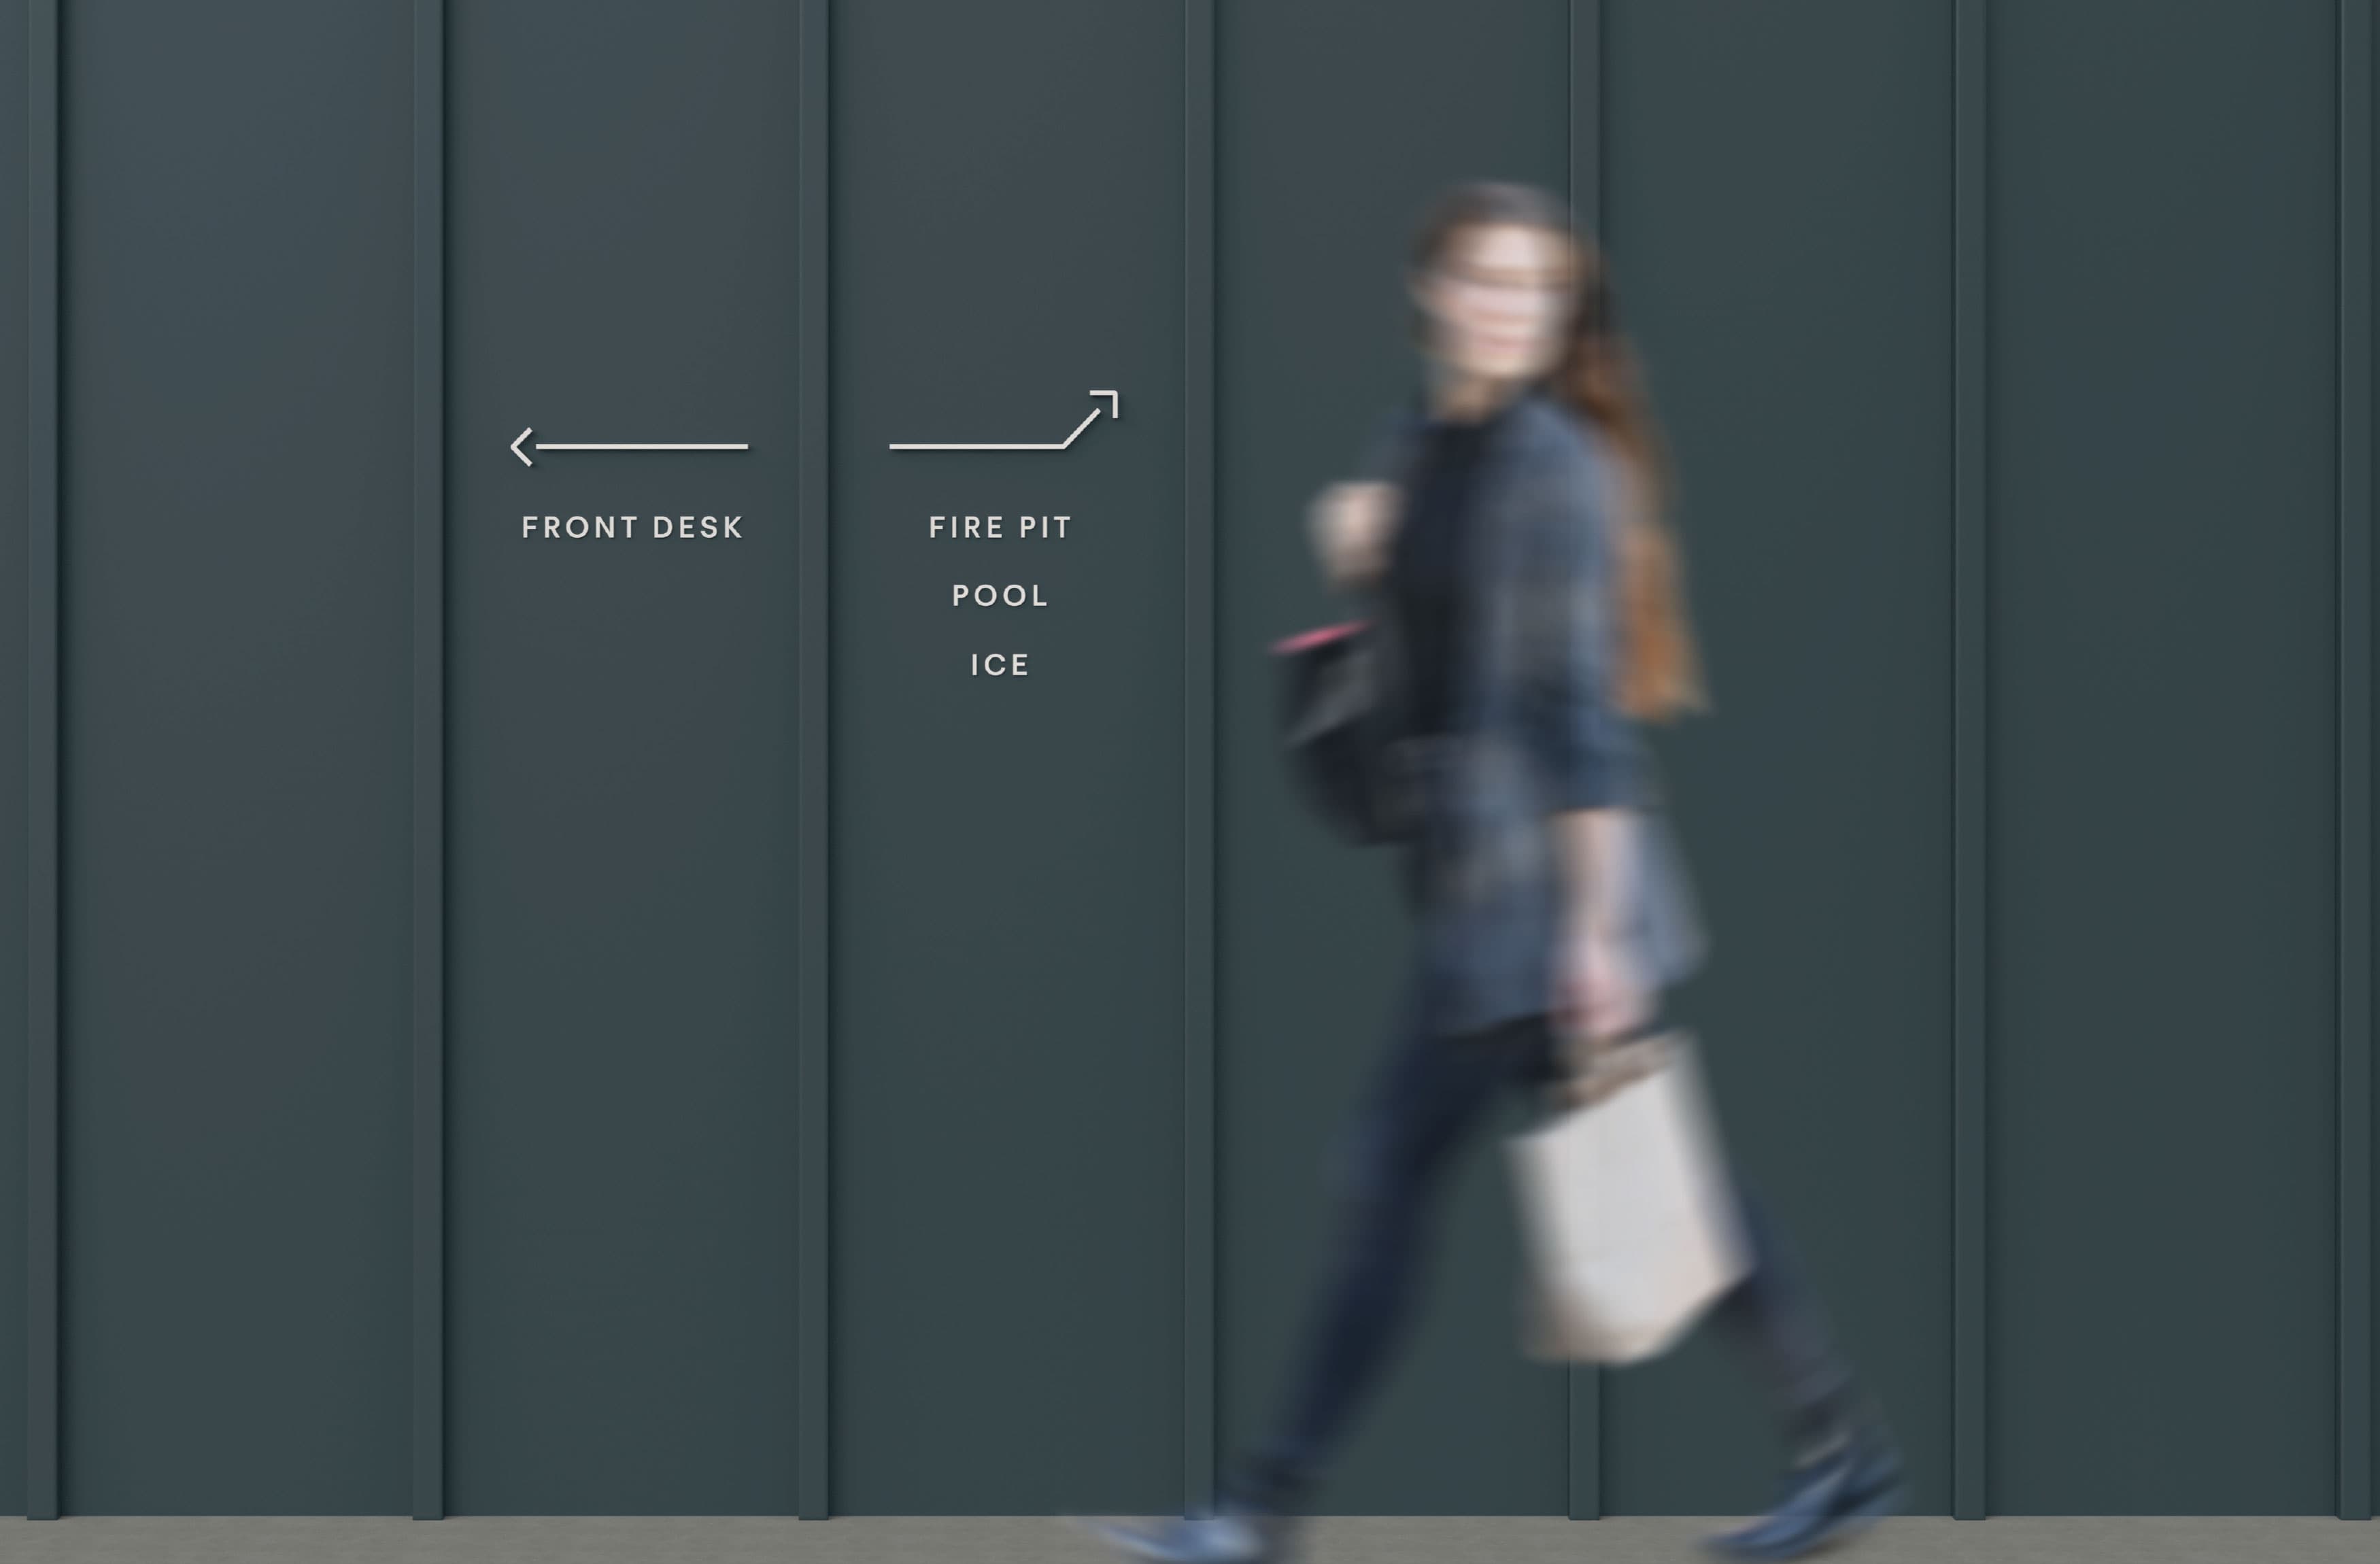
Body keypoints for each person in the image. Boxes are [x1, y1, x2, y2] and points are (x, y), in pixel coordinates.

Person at [1091, 182, 1905, 1563]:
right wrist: (1359, 552)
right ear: (1432, 292)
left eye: (1536, 289)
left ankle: (1259, 1508)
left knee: (1388, 1185)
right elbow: (1431, 658)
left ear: (1560, 313)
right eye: (1483, 280)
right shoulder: (1418, 443)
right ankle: (1843, 1452)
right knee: (1662, 1187)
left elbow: (1579, 715)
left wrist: (1592, 935)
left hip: (1542, 912)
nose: (1507, 308)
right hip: (1475, 895)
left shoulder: (1561, 471)